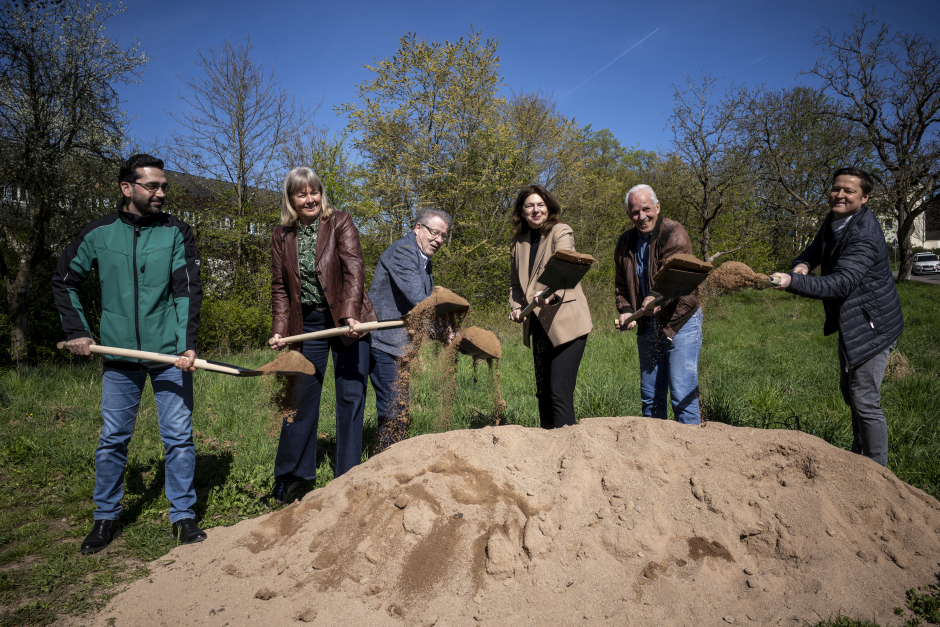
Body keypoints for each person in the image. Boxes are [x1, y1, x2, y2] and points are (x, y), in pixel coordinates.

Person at [52, 154, 206, 553]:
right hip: (118, 355)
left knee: (178, 437)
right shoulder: (99, 232)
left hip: (169, 355)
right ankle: (105, 518)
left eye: (164, 186)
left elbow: (186, 290)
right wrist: (78, 331)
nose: (161, 193)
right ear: (127, 188)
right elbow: (65, 280)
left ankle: (183, 516)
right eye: (152, 186)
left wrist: (186, 344)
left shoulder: (177, 232)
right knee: (113, 439)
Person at [771, 167, 903, 467]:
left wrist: (791, 282)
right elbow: (815, 250)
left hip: (873, 324)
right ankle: (861, 457)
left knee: (864, 398)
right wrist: (803, 264)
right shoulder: (836, 218)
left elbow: (840, 283)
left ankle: (876, 471)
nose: (840, 195)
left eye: (849, 191)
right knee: (852, 392)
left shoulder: (864, 235)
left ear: (865, 197)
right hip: (854, 319)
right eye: (836, 188)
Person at [267, 167, 376, 504]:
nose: (310, 198)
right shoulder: (281, 235)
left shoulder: (339, 222)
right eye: (302, 193)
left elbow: (354, 268)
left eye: (314, 191)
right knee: (299, 399)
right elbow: (281, 289)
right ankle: (291, 476)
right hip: (309, 325)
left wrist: (349, 314)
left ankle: (348, 475)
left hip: (348, 319)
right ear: (291, 199)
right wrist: (279, 330)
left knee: (350, 397)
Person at [614, 184, 703, 425]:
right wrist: (625, 311)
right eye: (635, 212)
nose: (641, 217)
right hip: (647, 323)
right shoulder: (625, 243)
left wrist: (654, 297)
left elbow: (674, 277)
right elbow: (621, 286)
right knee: (651, 399)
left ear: (657, 207)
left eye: (646, 209)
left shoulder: (673, 233)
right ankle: (655, 458)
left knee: (682, 394)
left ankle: (690, 453)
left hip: (679, 320)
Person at [368, 207, 452, 450]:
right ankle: (388, 464)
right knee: (393, 408)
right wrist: (445, 321)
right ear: (417, 227)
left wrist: (441, 332)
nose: (438, 240)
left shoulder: (423, 260)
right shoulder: (404, 251)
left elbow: (418, 311)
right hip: (384, 343)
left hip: (400, 345)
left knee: (399, 405)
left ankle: (394, 458)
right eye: (434, 232)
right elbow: (418, 299)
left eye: (443, 236)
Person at [509, 184, 592, 429]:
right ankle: (547, 449)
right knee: (543, 393)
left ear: (548, 207)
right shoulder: (518, 242)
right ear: (522, 212)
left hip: (566, 322)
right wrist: (515, 306)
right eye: (529, 206)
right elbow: (515, 283)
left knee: (558, 392)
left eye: (540, 205)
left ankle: (568, 452)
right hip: (538, 325)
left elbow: (565, 265)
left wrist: (548, 293)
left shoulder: (560, 231)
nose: (535, 210)